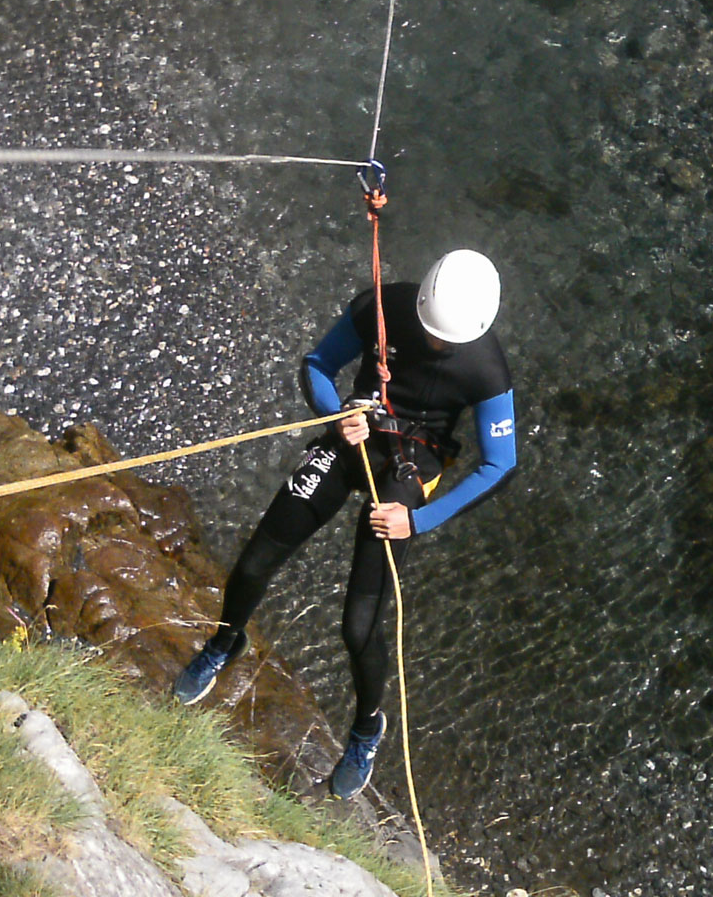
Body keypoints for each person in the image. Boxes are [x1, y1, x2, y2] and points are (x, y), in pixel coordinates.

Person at [172, 248, 519, 799]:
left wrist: (417, 520)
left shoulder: (487, 372)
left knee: (359, 627)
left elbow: (501, 463)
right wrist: (337, 413)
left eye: (445, 342)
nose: (434, 345)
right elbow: (317, 364)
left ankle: (366, 729)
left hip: (410, 470)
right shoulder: (382, 308)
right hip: (351, 434)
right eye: (430, 333)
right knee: (255, 561)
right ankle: (224, 642)